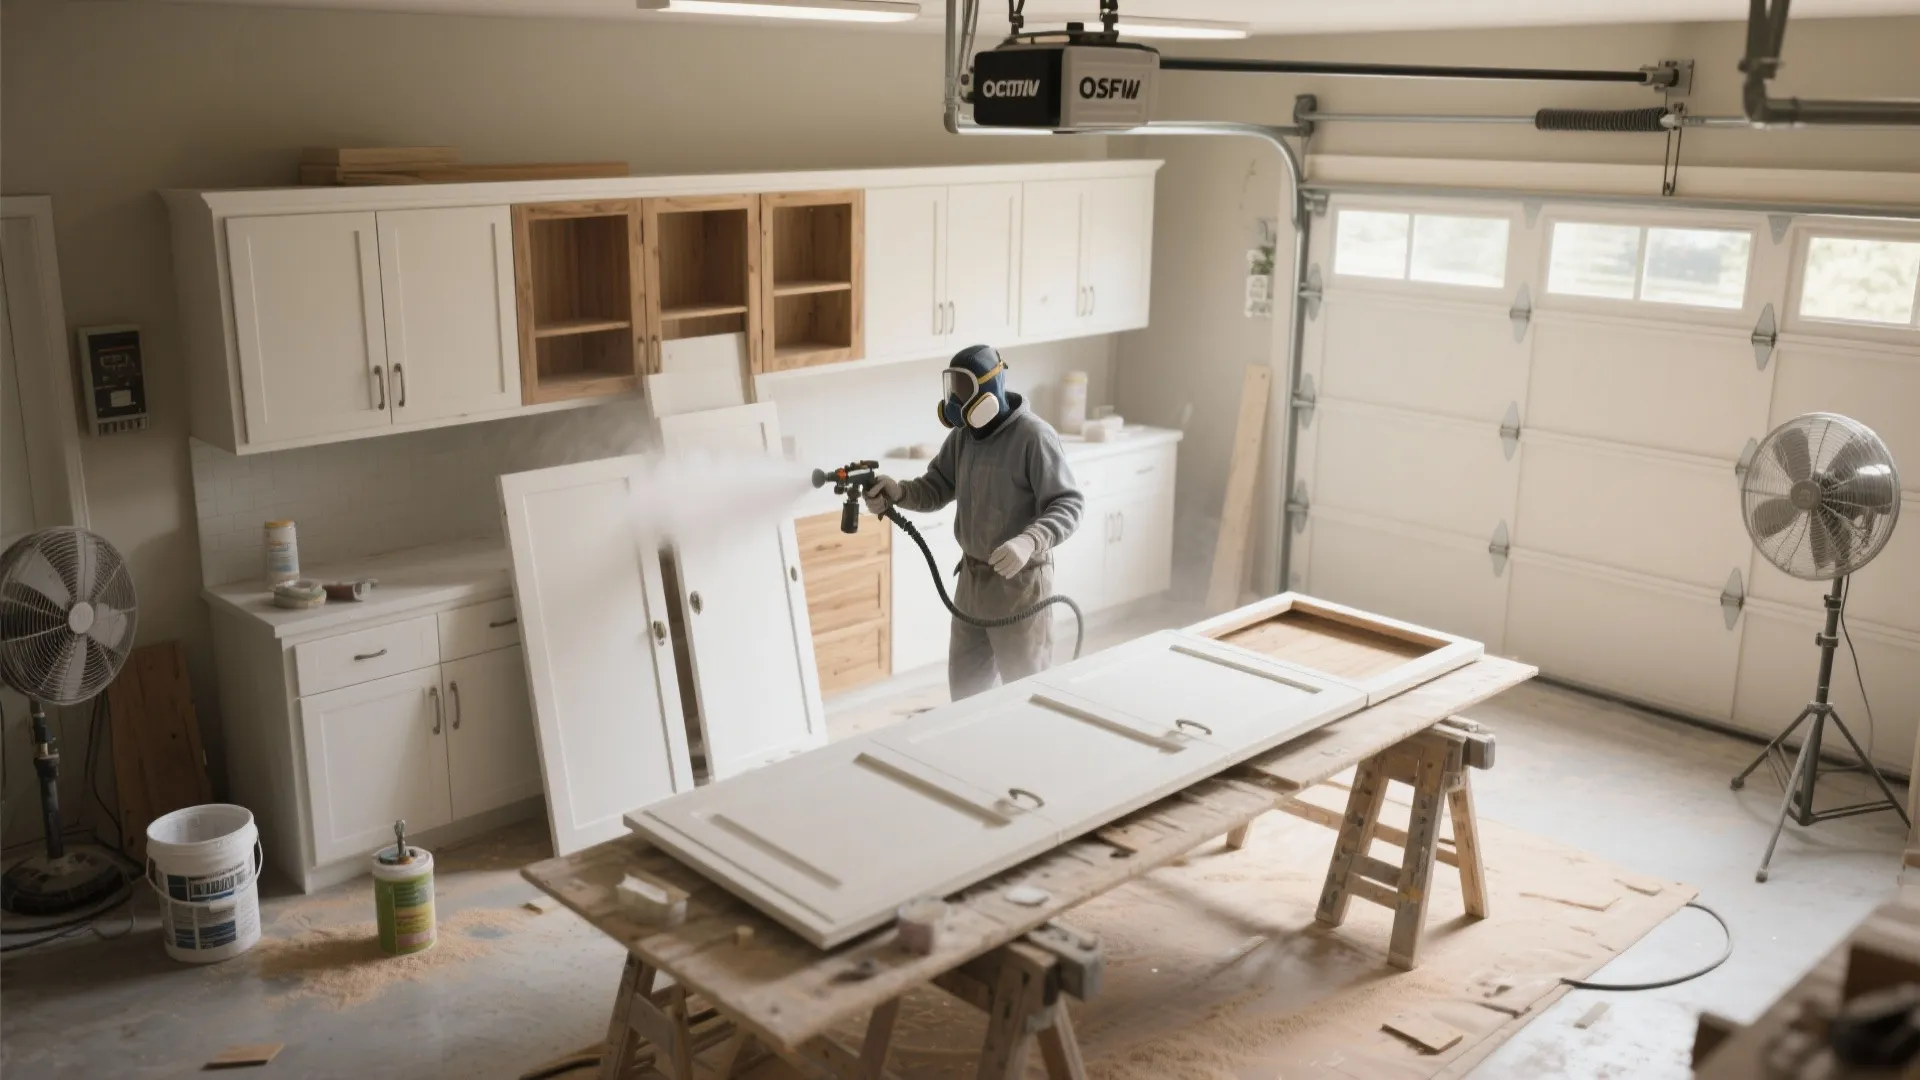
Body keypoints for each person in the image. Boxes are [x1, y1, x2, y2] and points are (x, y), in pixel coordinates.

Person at [864, 344, 1084, 700]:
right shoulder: (964, 436)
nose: (956, 400)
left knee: (1025, 695)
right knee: (966, 696)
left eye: (964, 389)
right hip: (971, 584)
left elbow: (1069, 503)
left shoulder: (1034, 437)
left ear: (989, 389)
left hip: (1019, 587)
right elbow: (937, 486)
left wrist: (1029, 540)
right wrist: (899, 492)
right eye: (953, 388)